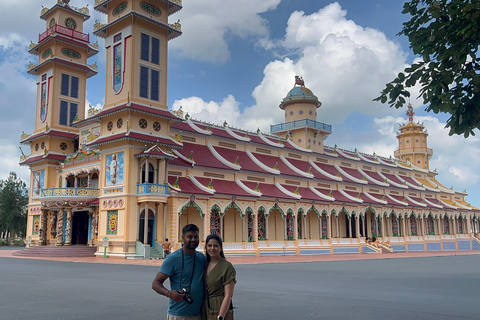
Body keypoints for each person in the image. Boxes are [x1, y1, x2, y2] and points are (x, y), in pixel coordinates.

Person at [152, 224, 206, 320]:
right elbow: (156, 283)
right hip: (179, 314)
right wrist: (169, 293)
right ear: (183, 238)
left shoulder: (201, 258)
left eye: (196, 237)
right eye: (189, 237)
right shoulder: (172, 259)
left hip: (198, 313)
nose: (193, 239)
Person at [202, 234, 236, 320]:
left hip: (219, 307)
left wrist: (220, 317)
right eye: (209, 245)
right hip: (205, 307)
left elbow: (228, 295)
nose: (212, 248)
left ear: (220, 248)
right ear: (205, 247)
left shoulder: (226, 267)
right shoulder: (204, 264)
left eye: (216, 246)